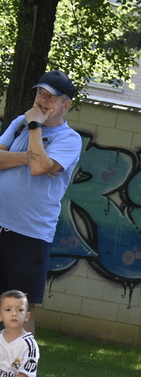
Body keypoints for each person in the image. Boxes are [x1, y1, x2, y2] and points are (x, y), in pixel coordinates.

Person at [0, 71, 82, 330]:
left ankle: (22, 369)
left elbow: (38, 170)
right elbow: (34, 164)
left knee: (20, 311)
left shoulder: (70, 139)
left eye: (51, 97)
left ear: (66, 105)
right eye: (40, 94)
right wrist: (32, 156)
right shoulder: (19, 123)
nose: (43, 101)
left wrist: (36, 126)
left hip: (30, 235)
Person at [0, 290, 38, 377]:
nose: (14, 314)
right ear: (0, 315)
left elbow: (26, 375)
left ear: (27, 316)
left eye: (20, 310)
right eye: (8, 310)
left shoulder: (29, 344)